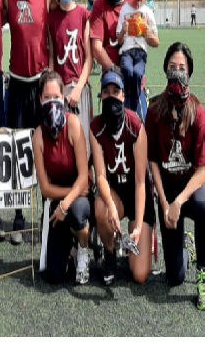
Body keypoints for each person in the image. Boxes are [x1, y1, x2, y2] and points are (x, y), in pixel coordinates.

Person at [145, 42, 205, 311]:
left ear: (190, 72)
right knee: (174, 277)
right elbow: (152, 160)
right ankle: (186, 249)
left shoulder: (198, 111)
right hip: (167, 191)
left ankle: (204, 275)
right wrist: (165, 202)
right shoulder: (154, 109)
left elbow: (203, 171)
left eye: (182, 68)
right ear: (165, 69)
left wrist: (178, 202)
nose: (177, 73)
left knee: (203, 206)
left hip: (189, 189)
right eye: (172, 67)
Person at [4, 0, 56, 244]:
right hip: (16, 83)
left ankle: (47, 211)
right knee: (18, 152)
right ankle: (19, 216)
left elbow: (58, 23)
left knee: (45, 150)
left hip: (40, 84)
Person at [90, 68, 155, 286]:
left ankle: (134, 238)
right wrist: (111, 207)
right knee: (101, 208)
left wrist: (138, 228)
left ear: (124, 96)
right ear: (101, 95)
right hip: (115, 192)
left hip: (137, 194)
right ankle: (110, 254)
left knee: (140, 275)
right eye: (106, 92)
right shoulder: (96, 127)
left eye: (115, 92)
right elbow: (100, 175)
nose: (111, 97)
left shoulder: (136, 126)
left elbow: (141, 182)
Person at [33, 71, 89, 284]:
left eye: (56, 97)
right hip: (57, 201)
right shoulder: (38, 135)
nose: (52, 102)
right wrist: (65, 200)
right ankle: (70, 248)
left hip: (77, 200)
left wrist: (66, 204)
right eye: (47, 97)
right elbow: (45, 188)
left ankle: (83, 249)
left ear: (63, 98)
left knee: (77, 212)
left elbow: (84, 177)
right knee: (54, 276)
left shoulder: (73, 124)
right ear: (40, 99)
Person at [48, 0, 92, 157]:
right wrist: (53, 90)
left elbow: (89, 59)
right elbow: (52, 56)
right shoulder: (52, 18)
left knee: (82, 146)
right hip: (60, 90)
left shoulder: (83, 15)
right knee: (61, 145)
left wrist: (78, 89)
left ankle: (85, 176)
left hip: (79, 90)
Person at [116, 0, 159, 113]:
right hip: (126, 53)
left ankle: (133, 105)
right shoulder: (125, 9)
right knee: (128, 70)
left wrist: (147, 33)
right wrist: (123, 30)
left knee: (138, 73)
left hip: (141, 54)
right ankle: (129, 101)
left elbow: (156, 42)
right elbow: (119, 40)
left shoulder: (148, 12)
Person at [90, 0, 128, 73]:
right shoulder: (99, 4)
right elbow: (96, 47)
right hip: (111, 75)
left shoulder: (133, 1)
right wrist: (114, 70)